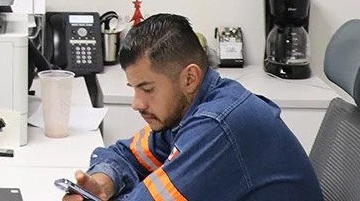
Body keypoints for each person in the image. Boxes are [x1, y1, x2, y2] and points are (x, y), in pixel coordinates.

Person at [62, 14, 322, 201]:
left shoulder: (217, 125)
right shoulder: (189, 109)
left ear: (189, 78)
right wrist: (102, 183)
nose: (137, 104)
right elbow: (125, 154)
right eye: (134, 89)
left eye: (148, 89)